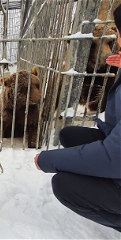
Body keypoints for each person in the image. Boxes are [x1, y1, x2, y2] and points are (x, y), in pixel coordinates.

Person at [34, 4, 121, 232]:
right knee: (69, 134)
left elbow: (114, 156)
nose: (109, 51)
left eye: (114, 39)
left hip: (117, 156)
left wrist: (50, 160)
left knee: (63, 185)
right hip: (116, 144)